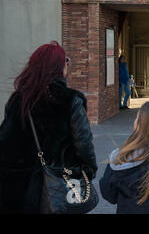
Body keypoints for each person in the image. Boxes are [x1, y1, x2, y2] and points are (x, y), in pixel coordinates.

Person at [0, 41, 97, 213]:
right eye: (65, 61)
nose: (67, 65)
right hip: (58, 185)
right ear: (58, 67)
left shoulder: (18, 99)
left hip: (19, 188)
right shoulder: (71, 101)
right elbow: (83, 143)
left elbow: (5, 142)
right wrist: (89, 169)